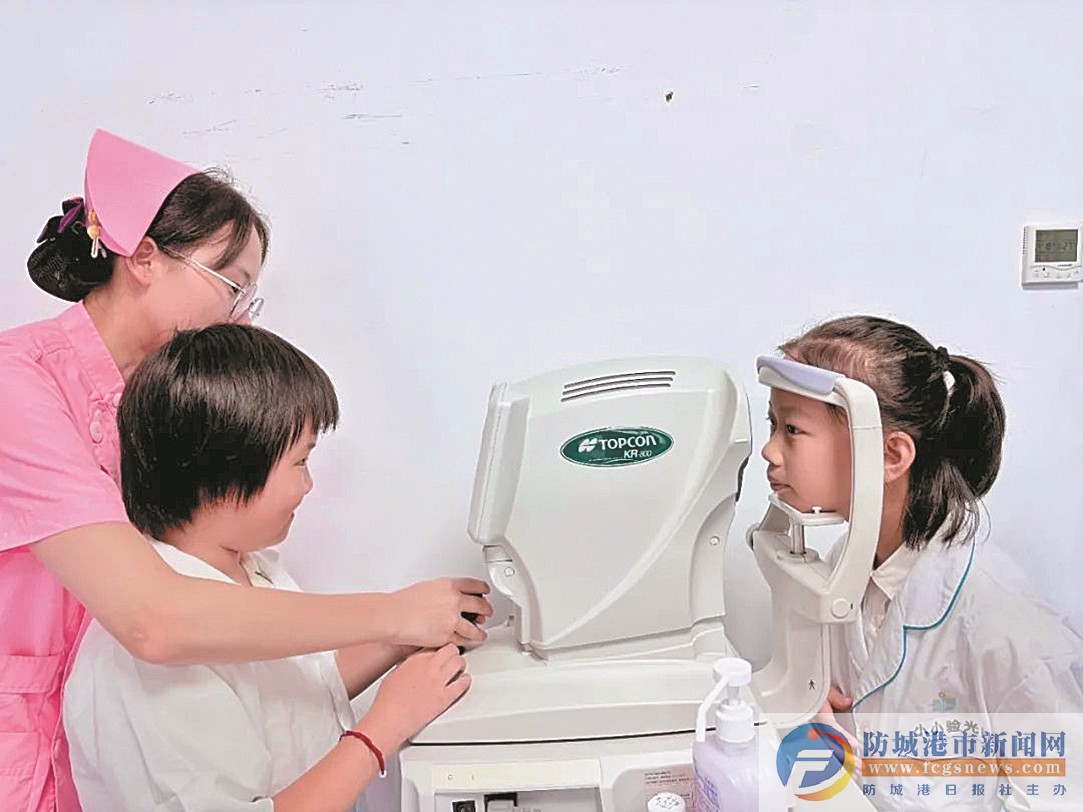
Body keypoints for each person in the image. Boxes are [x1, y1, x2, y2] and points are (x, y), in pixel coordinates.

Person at [0, 130, 491, 812]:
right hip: (30, 748)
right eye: (232, 286)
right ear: (144, 257)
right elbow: (152, 619)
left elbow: (266, 684)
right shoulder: (16, 386)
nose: (239, 317)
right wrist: (391, 619)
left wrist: (395, 633)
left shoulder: (154, 402)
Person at [64, 323, 469, 810]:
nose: (309, 484)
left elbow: (294, 696)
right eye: (300, 461)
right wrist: (384, 727)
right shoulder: (148, 665)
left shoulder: (252, 572)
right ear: (224, 471)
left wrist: (397, 641)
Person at [762, 315, 1083, 809]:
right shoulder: (844, 566)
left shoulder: (1006, 622)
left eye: (792, 429)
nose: (769, 451)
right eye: (773, 424)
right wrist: (811, 701)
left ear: (891, 455)